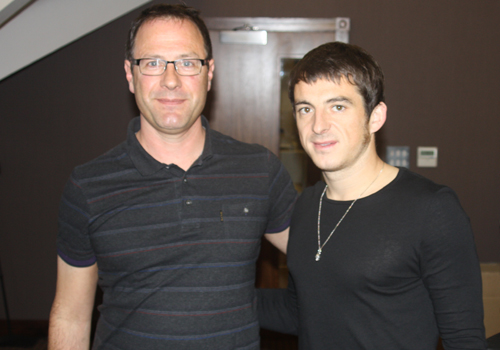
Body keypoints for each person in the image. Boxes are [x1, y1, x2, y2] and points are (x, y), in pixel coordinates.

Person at [48, 4, 296, 350]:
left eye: (187, 62)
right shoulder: (88, 186)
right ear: (129, 75)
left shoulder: (259, 169)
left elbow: (326, 261)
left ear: (209, 73)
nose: (170, 80)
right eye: (152, 63)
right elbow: (71, 314)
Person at [257, 42, 486, 350]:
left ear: (375, 117)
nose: (318, 125)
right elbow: (301, 313)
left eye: (338, 106)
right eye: (305, 109)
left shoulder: (432, 209)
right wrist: (203, 293)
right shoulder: (308, 206)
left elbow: (465, 340)